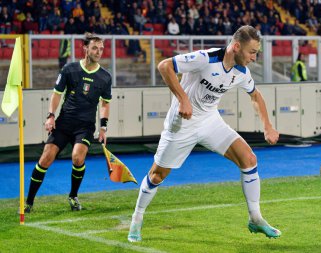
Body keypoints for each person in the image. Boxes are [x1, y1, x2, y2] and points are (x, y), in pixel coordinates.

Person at [128, 25, 281, 242]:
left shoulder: (241, 73)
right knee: (157, 175)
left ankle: (255, 218)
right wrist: (183, 99)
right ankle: (137, 218)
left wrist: (268, 126)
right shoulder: (205, 58)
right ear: (236, 47)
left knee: (249, 159)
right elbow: (165, 67)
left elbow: (255, 96)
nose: (254, 58)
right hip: (182, 124)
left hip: (210, 121)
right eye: (252, 52)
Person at [24, 33, 112, 213]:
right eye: (95, 47)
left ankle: (73, 196)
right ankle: (29, 202)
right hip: (64, 123)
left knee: (77, 157)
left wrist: (103, 127)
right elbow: (57, 94)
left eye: (101, 48)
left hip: (85, 126)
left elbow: (105, 103)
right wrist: (50, 116)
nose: (99, 51)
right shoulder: (69, 69)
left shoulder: (105, 77)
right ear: (85, 48)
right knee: (45, 158)